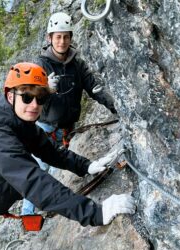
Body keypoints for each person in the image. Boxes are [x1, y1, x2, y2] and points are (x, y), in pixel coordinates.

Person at [0, 62, 135, 250]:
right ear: (10, 96)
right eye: (27, 97)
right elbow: (35, 183)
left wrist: (86, 166)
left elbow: (49, 150)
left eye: (40, 98)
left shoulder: (18, 122)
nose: (34, 105)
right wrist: (95, 213)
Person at [21, 12, 118, 215]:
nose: (62, 41)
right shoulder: (41, 65)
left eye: (66, 36)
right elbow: (29, 97)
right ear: (50, 38)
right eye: (58, 36)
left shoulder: (77, 65)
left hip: (67, 130)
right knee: (37, 172)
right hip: (45, 128)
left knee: (57, 174)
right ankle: (28, 216)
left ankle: (51, 210)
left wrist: (116, 108)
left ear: (71, 38)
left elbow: (94, 88)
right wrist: (45, 89)